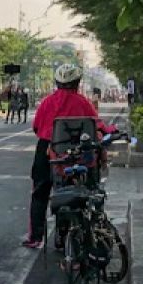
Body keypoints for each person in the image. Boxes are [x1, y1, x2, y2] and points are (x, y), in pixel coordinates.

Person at [21, 63, 99, 249]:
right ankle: (70, 235)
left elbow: (36, 128)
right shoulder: (84, 102)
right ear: (77, 83)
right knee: (80, 189)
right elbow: (96, 125)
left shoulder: (47, 102)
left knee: (40, 191)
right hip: (76, 153)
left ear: (57, 83)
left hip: (47, 149)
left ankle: (35, 237)